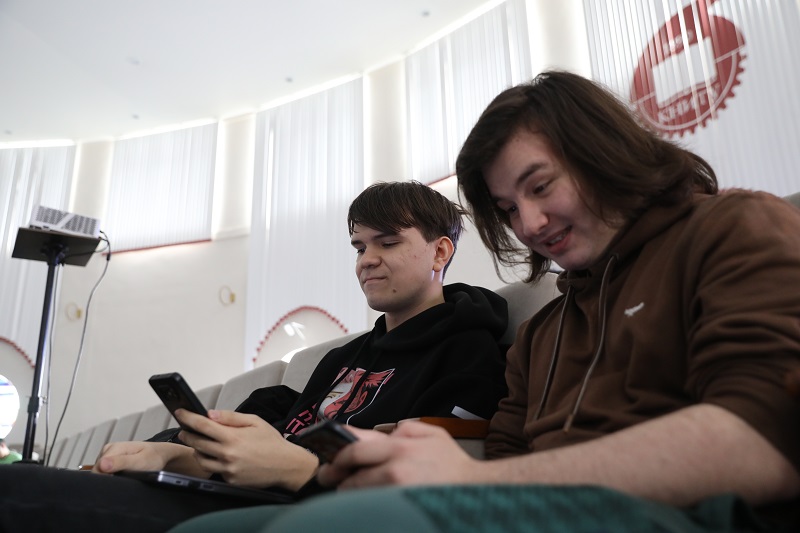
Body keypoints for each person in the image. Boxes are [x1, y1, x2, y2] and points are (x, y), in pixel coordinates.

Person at [173, 71, 800, 532]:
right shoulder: (545, 332)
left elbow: (763, 439)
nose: (529, 224)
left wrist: (472, 480)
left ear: (603, 151)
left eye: (540, 186)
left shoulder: (733, 228)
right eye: (507, 208)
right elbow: (503, 458)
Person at [0, 181, 509, 532]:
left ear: (440, 252)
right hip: (244, 493)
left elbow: (424, 484)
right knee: (25, 481)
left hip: (309, 508)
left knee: (19, 492)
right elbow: (276, 439)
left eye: (388, 243)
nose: (366, 260)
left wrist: (295, 467)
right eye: (358, 247)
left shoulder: (467, 350)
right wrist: (179, 454)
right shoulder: (344, 356)